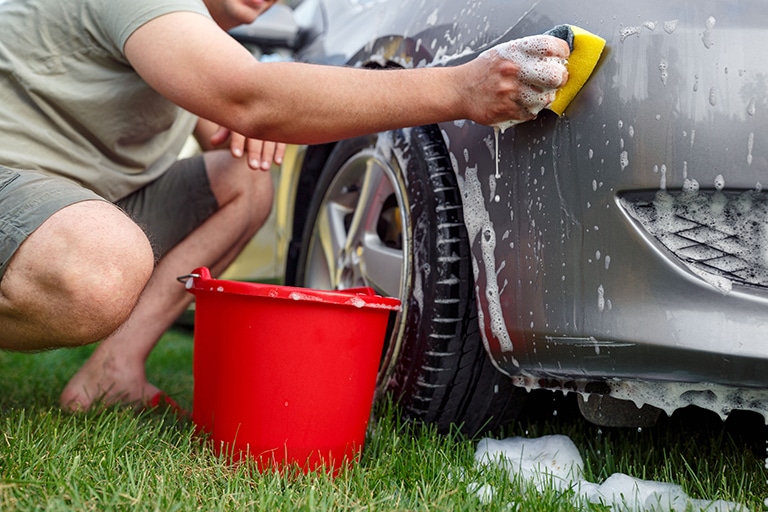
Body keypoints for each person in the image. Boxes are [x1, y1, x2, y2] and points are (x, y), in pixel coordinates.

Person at [0, 0, 569, 413]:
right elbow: (247, 96)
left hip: (65, 203)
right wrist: (460, 90)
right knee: (99, 266)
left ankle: (113, 370)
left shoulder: (188, 33)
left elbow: (227, 114)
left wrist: (236, 121)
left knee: (243, 182)